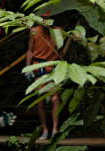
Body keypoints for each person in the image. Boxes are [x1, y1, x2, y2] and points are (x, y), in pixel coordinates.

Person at [25, 10, 71, 139]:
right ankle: (45, 129)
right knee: (41, 101)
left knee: (55, 99)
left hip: (54, 68)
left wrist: (61, 63)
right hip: (39, 67)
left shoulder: (59, 31)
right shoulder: (34, 31)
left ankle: (55, 129)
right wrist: (28, 67)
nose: (45, 20)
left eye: (48, 18)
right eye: (43, 18)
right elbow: (29, 50)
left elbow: (62, 50)